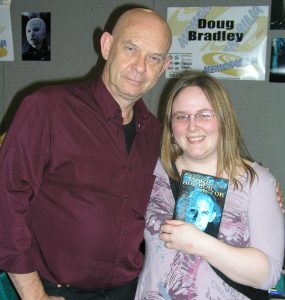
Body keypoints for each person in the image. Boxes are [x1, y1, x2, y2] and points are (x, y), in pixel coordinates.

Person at [0, 8, 171, 300]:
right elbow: (6, 201)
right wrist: (34, 295)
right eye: (131, 49)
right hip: (53, 292)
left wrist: (263, 186)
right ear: (106, 46)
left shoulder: (155, 132)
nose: (140, 67)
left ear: (164, 66)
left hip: (128, 291)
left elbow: (199, 165)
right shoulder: (47, 109)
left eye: (153, 58)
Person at [135, 71, 285, 299]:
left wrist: (200, 243)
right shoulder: (153, 170)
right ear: (171, 126)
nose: (192, 126)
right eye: (181, 116)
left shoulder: (256, 182)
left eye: (204, 115)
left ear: (223, 120)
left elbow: (268, 274)